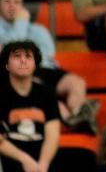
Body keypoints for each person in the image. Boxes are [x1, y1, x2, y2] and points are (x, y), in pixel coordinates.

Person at [0, 0, 99, 131]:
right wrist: (20, 24)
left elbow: (48, 54)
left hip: (46, 68)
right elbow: (10, 53)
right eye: (7, 1)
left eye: (17, 2)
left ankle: (79, 112)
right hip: (22, 73)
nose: (12, 6)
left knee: (76, 83)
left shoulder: (38, 29)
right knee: (44, 91)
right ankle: (72, 119)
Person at [0, 41, 96, 172]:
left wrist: (43, 165)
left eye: (28, 57)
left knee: (87, 157)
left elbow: (53, 135)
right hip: (12, 154)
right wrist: (24, 159)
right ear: (6, 65)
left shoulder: (46, 92)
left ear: (35, 64)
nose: (23, 61)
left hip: (42, 152)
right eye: (17, 56)